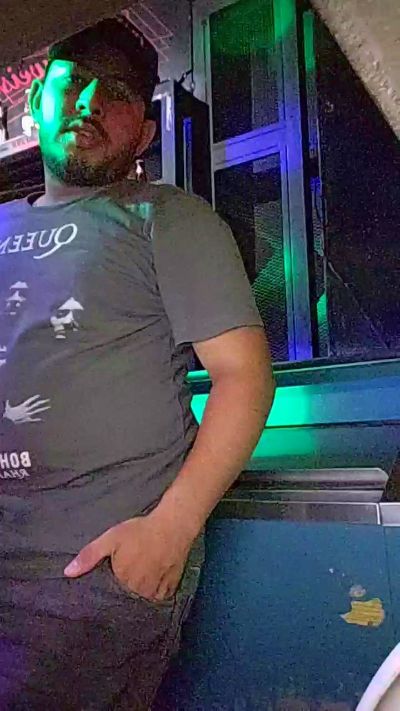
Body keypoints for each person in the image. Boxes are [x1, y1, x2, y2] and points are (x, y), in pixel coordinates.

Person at [0, 15, 275, 710]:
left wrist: (170, 530)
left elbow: (243, 375)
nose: (92, 101)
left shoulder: (166, 218)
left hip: (84, 580)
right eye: (76, 81)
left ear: (146, 134)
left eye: (118, 92)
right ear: (36, 101)